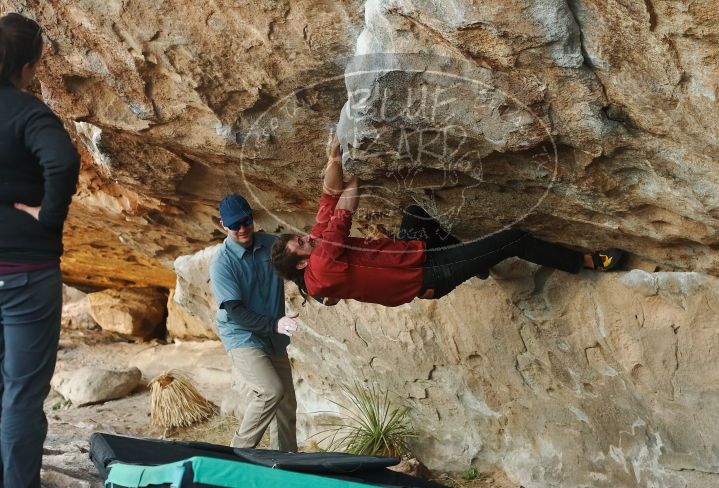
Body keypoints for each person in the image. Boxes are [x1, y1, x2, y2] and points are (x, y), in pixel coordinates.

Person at [270, 135, 625, 307]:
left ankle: (476, 262)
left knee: (416, 212)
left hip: (413, 253)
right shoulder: (323, 266)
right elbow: (344, 208)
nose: (305, 237)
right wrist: (358, 169)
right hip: (430, 275)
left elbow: (329, 196)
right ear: (302, 261)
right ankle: (586, 262)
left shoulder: (316, 249)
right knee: (513, 239)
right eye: (300, 243)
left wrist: (335, 156)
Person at [0, 13, 82, 488]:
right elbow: (63, 162)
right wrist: (47, 219)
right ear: (30, 64)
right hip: (25, 272)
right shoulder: (28, 113)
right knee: (22, 393)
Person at [209, 194, 299, 451]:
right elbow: (235, 311)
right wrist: (276, 324)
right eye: (234, 225)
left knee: (286, 403)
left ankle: (287, 463)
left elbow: (301, 268)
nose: (241, 229)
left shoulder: (272, 245)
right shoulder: (222, 262)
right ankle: (236, 455)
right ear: (223, 225)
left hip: (273, 333)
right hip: (242, 334)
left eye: (246, 221)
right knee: (270, 390)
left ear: (252, 217)